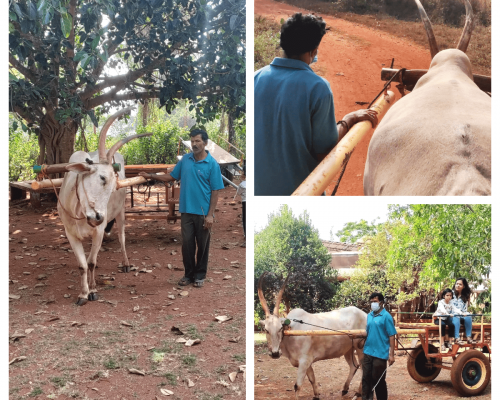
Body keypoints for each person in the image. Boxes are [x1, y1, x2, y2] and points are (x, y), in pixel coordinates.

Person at [254, 12, 378, 196]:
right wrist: (348, 119)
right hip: (304, 193)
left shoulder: (256, 78)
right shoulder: (318, 87)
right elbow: (324, 152)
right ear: (313, 51)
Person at [138, 129, 224, 288]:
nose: (194, 144)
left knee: (203, 246)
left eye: (198, 141)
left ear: (205, 143)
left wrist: (211, 215)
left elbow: (215, 190)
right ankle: (188, 275)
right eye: (192, 141)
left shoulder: (212, 164)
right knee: (187, 245)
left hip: (203, 213)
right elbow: (171, 176)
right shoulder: (185, 160)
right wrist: (151, 176)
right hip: (186, 211)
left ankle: (200, 275)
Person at [362, 293, 397, 400]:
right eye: (371, 301)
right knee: (366, 379)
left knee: (378, 380)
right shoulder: (369, 316)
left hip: (380, 354)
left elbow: (392, 336)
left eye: (375, 301)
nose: (373, 303)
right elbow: (368, 333)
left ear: (381, 302)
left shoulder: (386, 317)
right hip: (368, 351)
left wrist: (391, 355)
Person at [451, 277, 476, 345]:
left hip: (462, 314)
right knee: (456, 316)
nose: (458, 285)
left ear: (463, 286)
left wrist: (465, 313)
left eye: (460, 284)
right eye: (457, 284)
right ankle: (457, 338)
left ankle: (468, 338)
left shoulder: (465, 296)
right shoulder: (450, 294)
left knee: (468, 316)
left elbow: (465, 308)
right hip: (452, 315)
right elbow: (450, 307)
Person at [235, 166, 246, 237]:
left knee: (245, 218)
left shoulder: (242, 184)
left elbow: (238, 193)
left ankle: (246, 234)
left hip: (245, 202)